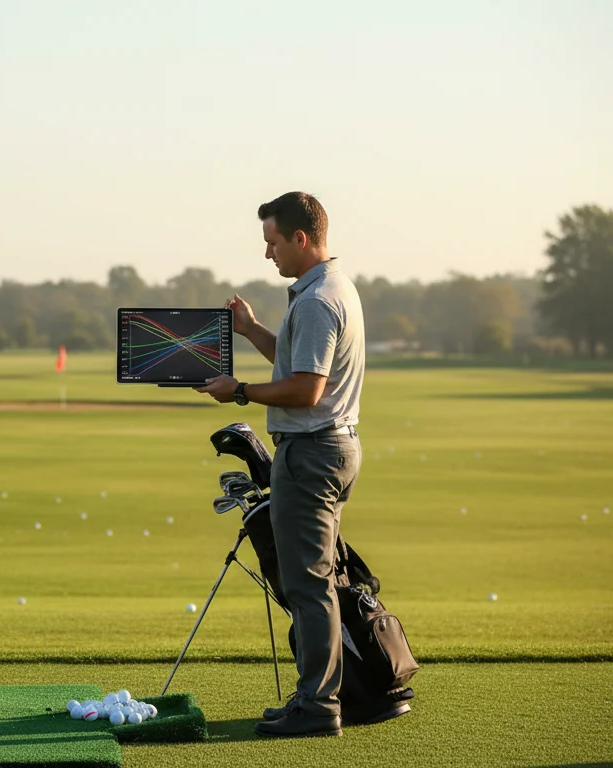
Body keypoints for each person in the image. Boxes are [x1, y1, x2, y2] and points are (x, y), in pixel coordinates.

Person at [194, 191, 365, 738]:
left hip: (312, 450)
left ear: (300, 238)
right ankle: (316, 698)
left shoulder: (316, 301)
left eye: (272, 242)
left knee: (307, 585)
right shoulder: (330, 289)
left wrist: (240, 391)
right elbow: (297, 367)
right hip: (328, 447)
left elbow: (306, 389)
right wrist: (249, 329)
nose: (267, 253)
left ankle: (318, 706)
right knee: (313, 580)